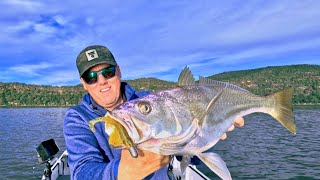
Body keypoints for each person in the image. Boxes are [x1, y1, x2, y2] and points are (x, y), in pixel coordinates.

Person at [63, 45, 245, 180]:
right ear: (83, 83)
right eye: (91, 77)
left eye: (108, 72)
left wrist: (206, 136)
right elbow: (81, 171)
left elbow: (186, 154)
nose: (102, 81)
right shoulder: (78, 117)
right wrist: (121, 173)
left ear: (118, 71)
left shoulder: (151, 99)